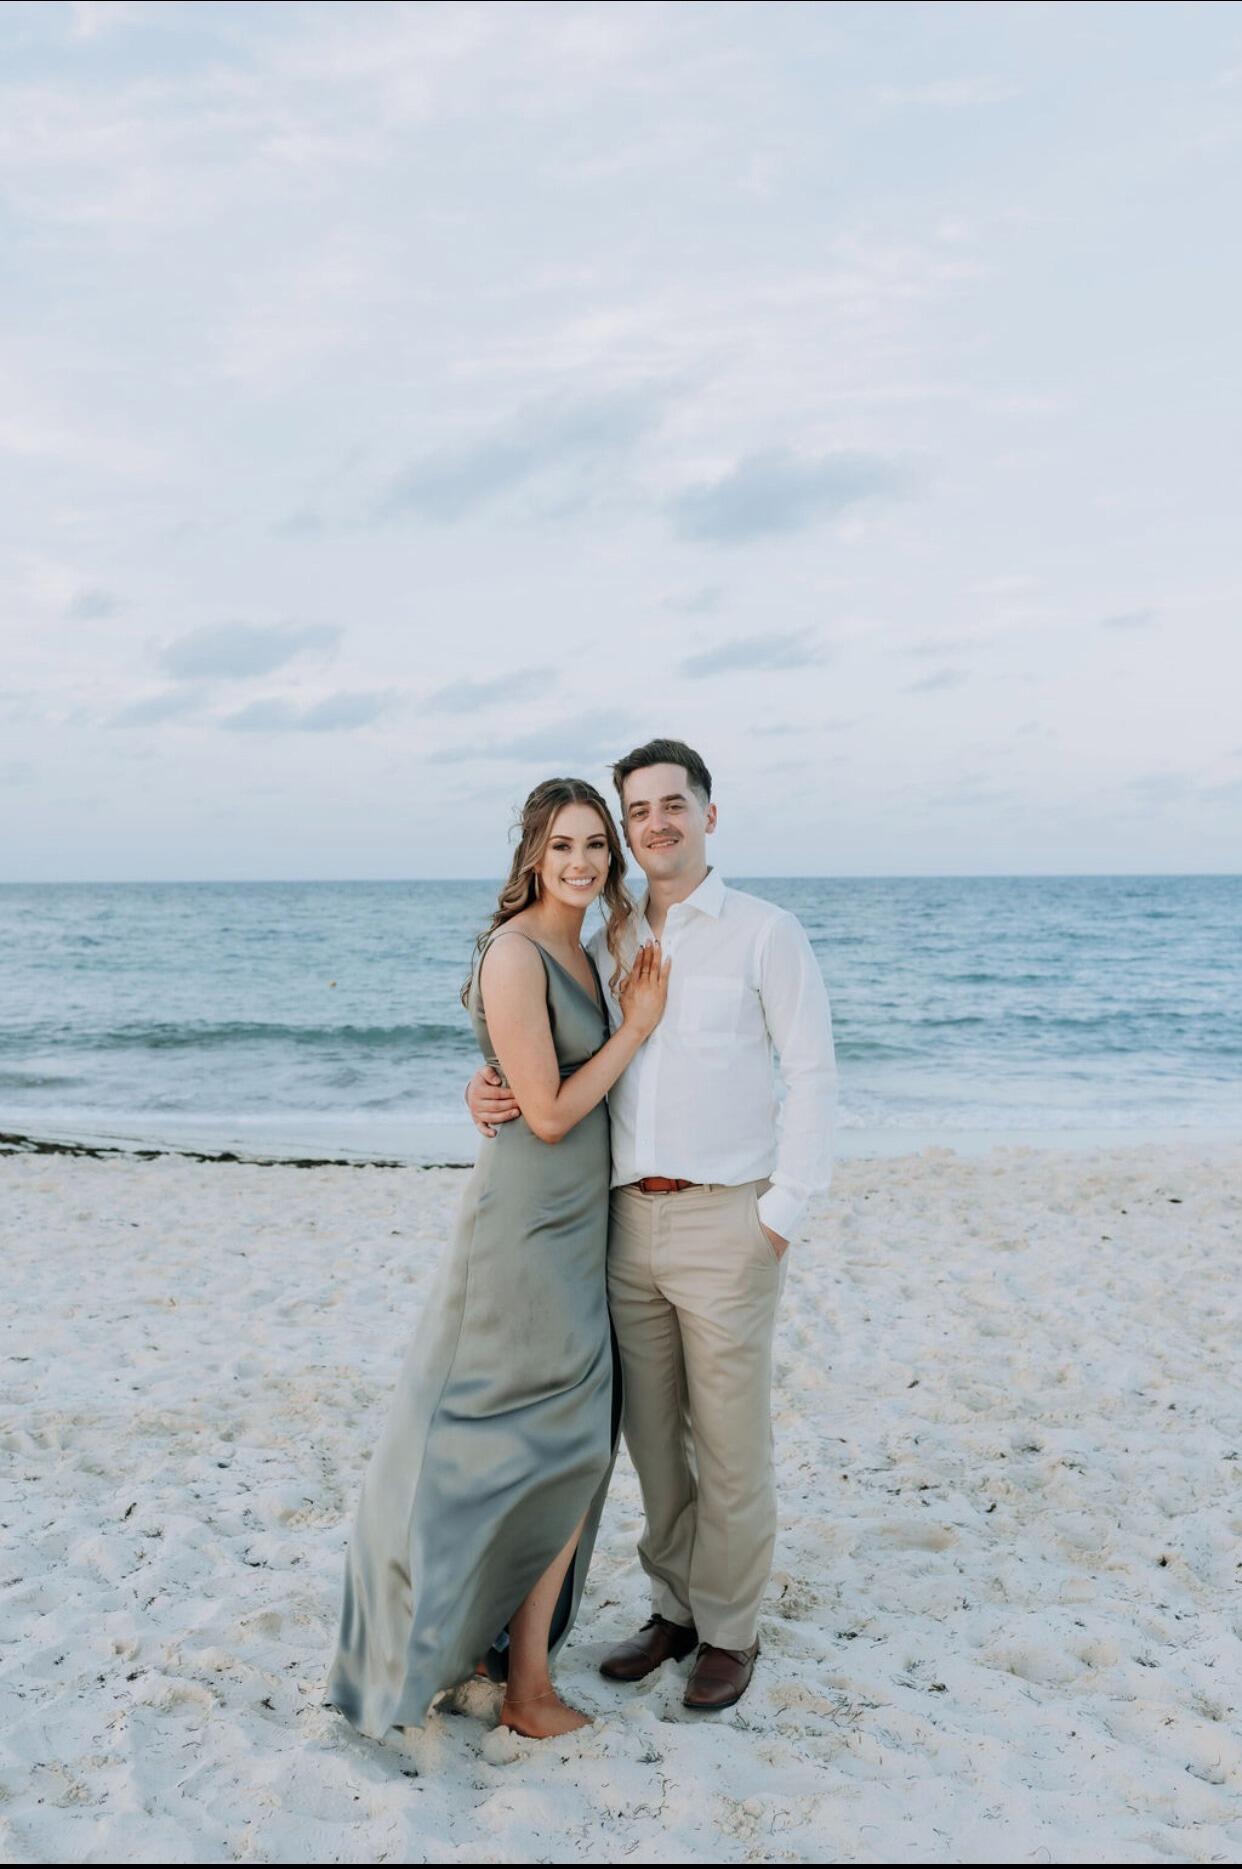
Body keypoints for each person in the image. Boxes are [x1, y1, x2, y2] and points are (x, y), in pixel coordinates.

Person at [468, 738, 836, 1711]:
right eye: (640, 810)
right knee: (654, 1443)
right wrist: (489, 1089)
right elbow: (556, 1061)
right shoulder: (605, 942)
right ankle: (673, 1610)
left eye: (674, 804)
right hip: (625, 1224)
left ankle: (730, 1630)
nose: (656, 823)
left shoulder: (765, 933)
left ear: (709, 815)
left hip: (729, 1221)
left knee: (729, 1441)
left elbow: (813, 1075)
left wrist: (782, 1212)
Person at [326, 777, 670, 1742]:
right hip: (524, 1226)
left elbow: (538, 1080)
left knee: (565, 1442)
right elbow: (553, 1113)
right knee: (542, 1439)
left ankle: (509, 1661)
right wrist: (635, 1033)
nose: (582, 862)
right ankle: (519, 1685)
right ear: (531, 852)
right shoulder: (520, 952)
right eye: (563, 844)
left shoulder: (596, 944)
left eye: (597, 844)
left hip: (580, 1224)